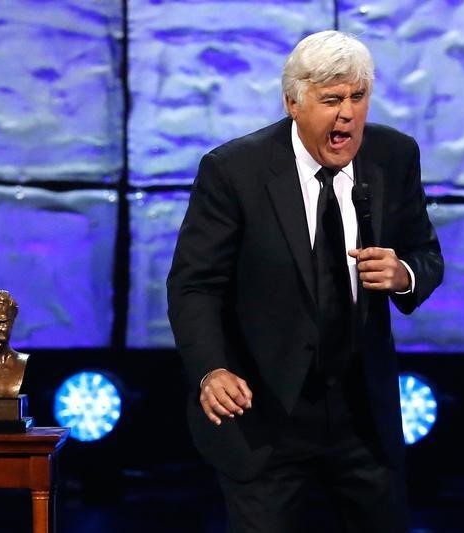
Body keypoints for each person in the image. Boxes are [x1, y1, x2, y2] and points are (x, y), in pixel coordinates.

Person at [167, 30, 443, 532]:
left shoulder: (393, 156)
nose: (347, 115)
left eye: (358, 98)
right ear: (294, 103)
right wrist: (211, 370)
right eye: (332, 100)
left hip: (362, 419)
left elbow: (427, 255)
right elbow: (194, 285)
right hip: (266, 414)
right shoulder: (234, 170)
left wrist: (403, 274)